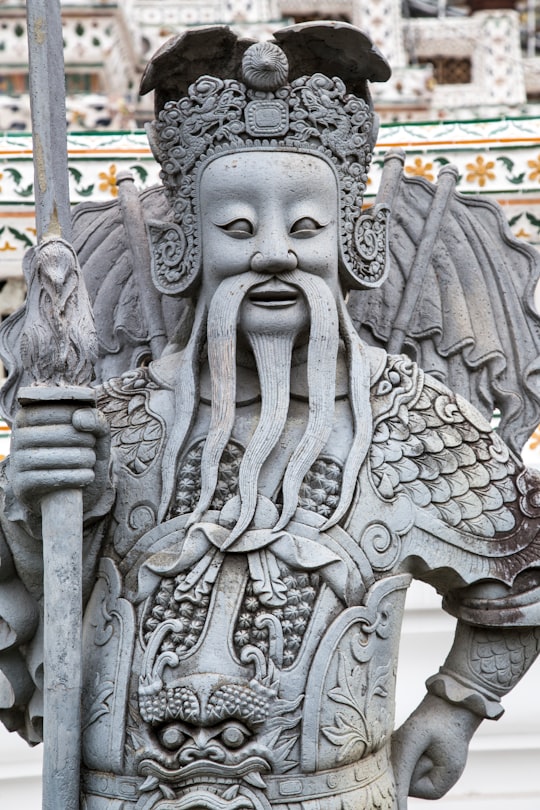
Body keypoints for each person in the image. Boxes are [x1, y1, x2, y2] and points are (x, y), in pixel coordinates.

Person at [1, 22, 540, 810]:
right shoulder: (117, 423)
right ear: (184, 248)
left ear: (354, 242)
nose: (276, 254)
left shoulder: (413, 422)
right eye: (238, 228)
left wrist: (456, 705)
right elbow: (43, 604)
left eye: (307, 227)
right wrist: (30, 505)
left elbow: (522, 582)